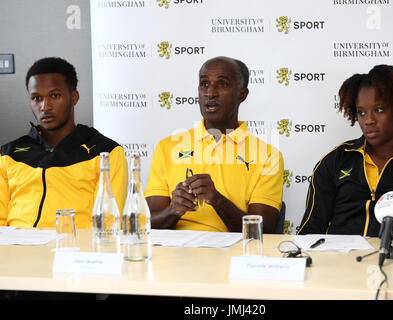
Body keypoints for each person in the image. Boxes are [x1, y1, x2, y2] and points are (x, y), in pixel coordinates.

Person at [298, 64, 393, 239]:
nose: (368, 120)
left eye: (378, 110)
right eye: (361, 113)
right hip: (339, 263)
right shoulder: (334, 161)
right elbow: (309, 232)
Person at [145, 56, 284, 233]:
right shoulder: (167, 147)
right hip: (173, 255)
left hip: (231, 257)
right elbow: (148, 225)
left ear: (242, 94)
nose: (210, 93)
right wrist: (173, 210)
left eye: (222, 84)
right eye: (204, 84)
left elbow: (263, 231)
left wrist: (217, 200)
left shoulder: (269, 156)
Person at [0, 57, 128, 228]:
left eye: (54, 95)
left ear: (74, 97)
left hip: (74, 249)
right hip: (15, 250)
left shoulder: (107, 152)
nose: (45, 106)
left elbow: (108, 224)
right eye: (37, 98)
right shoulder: (7, 154)